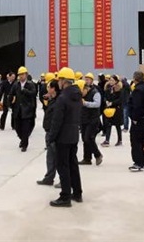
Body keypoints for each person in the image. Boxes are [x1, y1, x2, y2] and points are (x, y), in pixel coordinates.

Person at [48, 67, 82, 207]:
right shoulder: (78, 96)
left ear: (63, 81)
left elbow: (57, 121)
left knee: (63, 166)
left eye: (59, 80)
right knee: (73, 164)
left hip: (62, 137)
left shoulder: (62, 98)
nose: (58, 83)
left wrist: (51, 137)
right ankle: (77, 193)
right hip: (73, 135)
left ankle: (65, 196)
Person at [37, 79, 60, 186]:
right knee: (50, 157)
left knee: (57, 157)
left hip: (53, 132)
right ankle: (49, 178)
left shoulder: (59, 101)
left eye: (49, 87)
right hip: (49, 131)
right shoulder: (53, 100)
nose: (47, 89)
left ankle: (63, 179)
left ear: (53, 89)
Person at [128, 71, 144, 172]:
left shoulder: (137, 90)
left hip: (138, 119)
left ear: (135, 78)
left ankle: (138, 162)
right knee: (143, 140)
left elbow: (137, 105)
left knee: (136, 141)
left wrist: (134, 118)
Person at [10, 66, 37, 152]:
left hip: (27, 110)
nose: (21, 76)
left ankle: (24, 144)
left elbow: (33, 93)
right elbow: (11, 94)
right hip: (18, 110)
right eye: (20, 74)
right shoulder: (16, 84)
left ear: (26, 75)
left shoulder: (30, 84)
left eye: (23, 74)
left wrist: (25, 91)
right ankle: (22, 139)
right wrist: (10, 104)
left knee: (25, 129)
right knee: (17, 128)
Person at [101, 75, 124, 146]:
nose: (111, 81)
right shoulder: (108, 88)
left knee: (117, 125)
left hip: (117, 109)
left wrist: (112, 103)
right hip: (109, 109)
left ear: (116, 81)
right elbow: (105, 96)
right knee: (108, 124)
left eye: (112, 80)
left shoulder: (119, 89)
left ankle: (119, 140)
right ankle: (107, 140)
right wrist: (106, 101)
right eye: (110, 80)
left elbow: (120, 99)